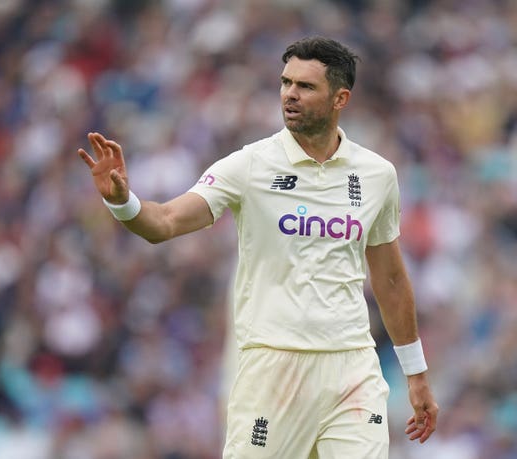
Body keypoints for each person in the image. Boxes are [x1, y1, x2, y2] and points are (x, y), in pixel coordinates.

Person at [78, 36, 438, 458]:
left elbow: (391, 278)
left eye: (305, 86)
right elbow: (164, 223)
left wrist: (415, 373)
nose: (290, 94)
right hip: (273, 369)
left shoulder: (377, 174)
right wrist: (122, 200)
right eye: (286, 83)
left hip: (351, 368)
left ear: (340, 98)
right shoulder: (249, 165)